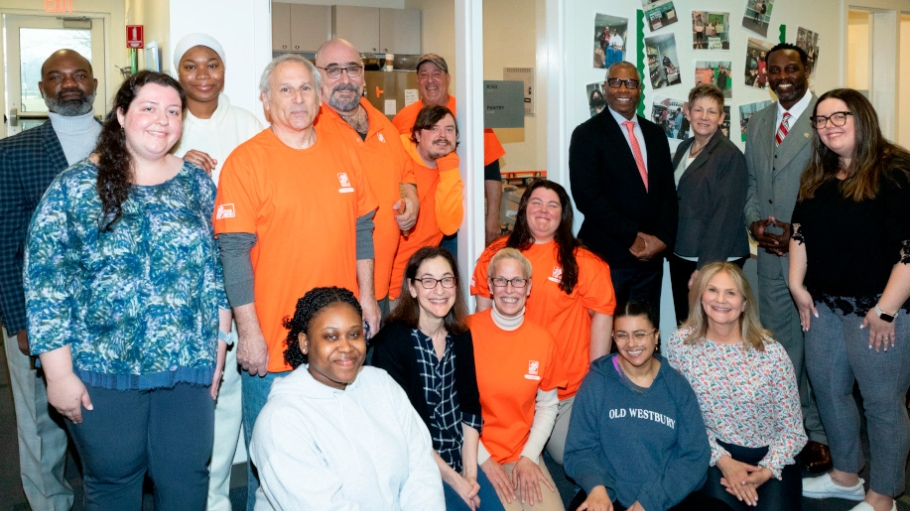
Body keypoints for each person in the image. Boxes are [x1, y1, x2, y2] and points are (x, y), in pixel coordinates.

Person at [24, 70, 232, 509]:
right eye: (149, 108)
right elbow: (46, 287)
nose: (162, 120)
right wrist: (58, 375)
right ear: (121, 115)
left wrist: (216, 355)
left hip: (187, 369)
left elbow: (217, 276)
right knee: (114, 484)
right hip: (102, 370)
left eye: (173, 111)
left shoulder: (197, 186)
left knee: (187, 482)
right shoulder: (74, 187)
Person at [213, 54, 378, 509]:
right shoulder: (246, 163)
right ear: (266, 103)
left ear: (321, 96)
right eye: (284, 90)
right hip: (275, 343)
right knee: (272, 473)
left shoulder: (345, 151)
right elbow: (233, 253)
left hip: (341, 342)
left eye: (305, 88)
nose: (297, 98)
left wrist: (367, 296)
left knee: (341, 460)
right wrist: (247, 333)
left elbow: (363, 228)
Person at [790, 89, 910, 511]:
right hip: (824, 307)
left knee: (881, 403)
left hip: (878, 313)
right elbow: (800, 232)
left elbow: (909, 250)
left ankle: (883, 495)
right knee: (828, 390)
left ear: (861, 117)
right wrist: (796, 286)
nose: (829, 126)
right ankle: (845, 475)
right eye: (821, 120)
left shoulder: (896, 171)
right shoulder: (819, 173)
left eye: (838, 116)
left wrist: (886, 309)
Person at [0, 48, 98, 511]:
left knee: (104, 415)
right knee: (40, 422)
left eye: (79, 74)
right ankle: (48, 504)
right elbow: (3, 242)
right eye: (56, 77)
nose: (70, 83)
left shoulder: (125, 142)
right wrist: (18, 318)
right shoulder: (13, 152)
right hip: (37, 312)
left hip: (108, 316)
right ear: (42, 90)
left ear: (94, 83)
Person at [171, 33, 263, 511]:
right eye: (191, 65)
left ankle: (216, 497)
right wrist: (174, 162)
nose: (203, 75)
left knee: (227, 390)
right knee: (185, 394)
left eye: (213, 64)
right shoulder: (165, 124)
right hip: (178, 282)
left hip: (234, 274)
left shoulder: (248, 124)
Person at [250, 287, 444, 510]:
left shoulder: (382, 384)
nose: (346, 347)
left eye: (354, 334)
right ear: (304, 342)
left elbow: (421, 471)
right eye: (331, 336)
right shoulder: (280, 421)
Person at [471, 180, 615, 465]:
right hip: (507, 393)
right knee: (496, 459)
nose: (543, 211)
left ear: (564, 215)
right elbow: (481, 320)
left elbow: (603, 315)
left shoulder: (584, 262)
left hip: (564, 391)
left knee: (573, 460)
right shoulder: (496, 256)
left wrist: (594, 380)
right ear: (524, 208)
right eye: (536, 202)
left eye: (553, 205)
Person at [743, 42, 830, 473]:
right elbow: (751, 187)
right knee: (783, 350)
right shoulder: (758, 123)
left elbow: (836, 193)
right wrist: (755, 223)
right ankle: (795, 428)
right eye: (774, 69)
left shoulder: (827, 122)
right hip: (770, 261)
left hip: (820, 261)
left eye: (791, 68)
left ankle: (820, 434)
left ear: (806, 69)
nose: (782, 77)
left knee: (822, 353)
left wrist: (797, 234)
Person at [666, 263, 806, 511]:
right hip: (711, 452)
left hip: (770, 457)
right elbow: (681, 418)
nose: (721, 299)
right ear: (701, 296)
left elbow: (793, 431)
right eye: (712, 290)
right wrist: (722, 459)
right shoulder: (680, 344)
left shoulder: (771, 353)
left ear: (744, 304)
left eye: (731, 293)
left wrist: (766, 471)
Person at [371, 247, 503, 510]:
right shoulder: (392, 342)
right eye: (428, 281)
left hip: (460, 455)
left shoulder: (461, 335)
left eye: (446, 279)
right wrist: (455, 480)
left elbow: (470, 409)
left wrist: (471, 476)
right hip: (416, 463)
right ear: (412, 288)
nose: (439, 290)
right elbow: (403, 430)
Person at [564, 301, 720, 511]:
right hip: (609, 497)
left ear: (656, 336)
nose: (631, 344)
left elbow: (695, 455)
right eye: (622, 335)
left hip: (665, 496)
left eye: (640, 334)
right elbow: (579, 449)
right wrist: (596, 487)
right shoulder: (596, 382)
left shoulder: (677, 386)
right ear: (613, 338)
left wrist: (651, 501)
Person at [314, 38, 419, 318]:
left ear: (362, 73)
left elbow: (406, 172)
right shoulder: (309, 129)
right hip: (332, 290)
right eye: (334, 70)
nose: (345, 79)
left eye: (352, 69)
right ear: (317, 76)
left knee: (374, 362)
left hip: (380, 284)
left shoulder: (383, 123)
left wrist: (411, 198)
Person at [569, 61, 678, 326]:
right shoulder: (587, 134)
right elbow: (587, 196)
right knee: (609, 335)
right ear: (605, 88)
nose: (623, 89)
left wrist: (663, 239)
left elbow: (667, 193)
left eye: (630, 83)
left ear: (639, 90)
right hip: (609, 257)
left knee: (646, 332)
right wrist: (631, 237)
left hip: (650, 261)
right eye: (616, 82)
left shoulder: (655, 134)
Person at [467, 248, 567, 511]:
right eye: (501, 280)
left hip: (521, 452)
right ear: (489, 285)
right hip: (474, 452)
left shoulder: (543, 340)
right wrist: (482, 459)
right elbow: (451, 408)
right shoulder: (465, 334)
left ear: (528, 286)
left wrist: (529, 457)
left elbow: (547, 406)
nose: (509, 289)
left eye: (517, 281)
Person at [392, 53, 506, 246]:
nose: (430, 80)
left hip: (460, 222)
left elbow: (491, 169)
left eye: (436, 73)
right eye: (424, 74)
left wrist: (492, 217)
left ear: (448, 79)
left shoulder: (468, 112)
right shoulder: (403, 118)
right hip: (416, 225)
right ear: (417, 80)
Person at [670, 84, 749, 324]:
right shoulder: (684, 147)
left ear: (721, 118)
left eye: (712, 112)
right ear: (688, 111)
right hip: (683, 252)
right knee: (687, 325)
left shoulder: (729, 155)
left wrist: (705, 267)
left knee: (710, 329)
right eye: (698, 110)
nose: (704, 117)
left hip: (714, 259)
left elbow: (725, 216)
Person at [388, 105, 464, 302]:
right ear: (418, 135)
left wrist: (448, 167)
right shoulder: (397, 160)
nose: (442, 135)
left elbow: (449, 226)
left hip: (418, 287)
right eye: (433, 128)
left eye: (449, 130)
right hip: (383, 284)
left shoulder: (450, 172)